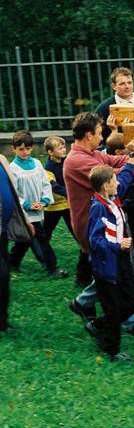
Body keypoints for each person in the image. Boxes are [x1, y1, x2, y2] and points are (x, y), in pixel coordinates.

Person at [63, 112, 134, 339]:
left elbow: (117, 162)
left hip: (107, 223)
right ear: (87, 135)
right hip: (95, 227)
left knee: (109, 273)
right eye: (99, 132)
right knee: (117, 275)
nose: (102, 136)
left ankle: (82, 303)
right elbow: (118, 183)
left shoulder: (91, 154)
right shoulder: (78, 161)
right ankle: (130, 322)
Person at [84, 162, 134, 361]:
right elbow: (95, 240)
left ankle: (99, 325)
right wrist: (117, 245)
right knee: (113, 308)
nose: (118, 183)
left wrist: (132, 161)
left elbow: (125, 181)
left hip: (121, 259)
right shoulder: (98, 207)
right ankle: (112, 350)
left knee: (133, 299)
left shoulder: (112, 198)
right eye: (114, 180)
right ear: (106, 186)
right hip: (107, 265)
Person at [7, 130, 65, 278]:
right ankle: (52, 268)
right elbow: (13, 193)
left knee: (25, 239)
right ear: (14, 149)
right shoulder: (13, 169)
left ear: (32, 148)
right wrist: (26, 204)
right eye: (21, 149)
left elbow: (46, 184)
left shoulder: (38, 164)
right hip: (24, 212)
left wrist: (45, 200)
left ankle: (12, 261)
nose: (25, 152)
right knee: (40, 239)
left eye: (27, 148)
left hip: (38, 209)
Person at [0, 153, 34, 332]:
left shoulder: (1, 159)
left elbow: (13, 193)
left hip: (3, 230)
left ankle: (2, 321)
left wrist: (26, 219)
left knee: (3, 277)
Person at [94, 67, 134, 142]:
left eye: (129, 82)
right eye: (122, 84)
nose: (127, 86)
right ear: (114, 86)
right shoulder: (104, 108)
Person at [42, 136, 74, 244]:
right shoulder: (48, 168)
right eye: (60, 148)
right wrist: (73, 194)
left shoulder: (67, 161)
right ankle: (45, 255)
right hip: (53, 207)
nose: (64, 150)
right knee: (45, 234)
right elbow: (54, 187)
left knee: (76, 231)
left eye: (64, 147)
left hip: (68, 205)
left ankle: (86, 256)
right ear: (50, 152)